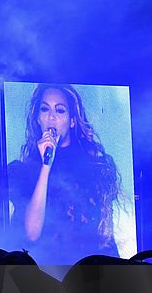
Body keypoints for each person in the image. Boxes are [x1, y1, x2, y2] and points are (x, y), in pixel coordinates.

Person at [7, 84, 122, 266]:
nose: (51, 117)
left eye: (60, 111)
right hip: (45, 275)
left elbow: (104, 234)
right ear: (38, 118)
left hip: (89, 275)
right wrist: (47, 164)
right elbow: (32, 233)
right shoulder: (23, 171)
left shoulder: (97, 167)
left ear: (72, 121)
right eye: (45, 109)